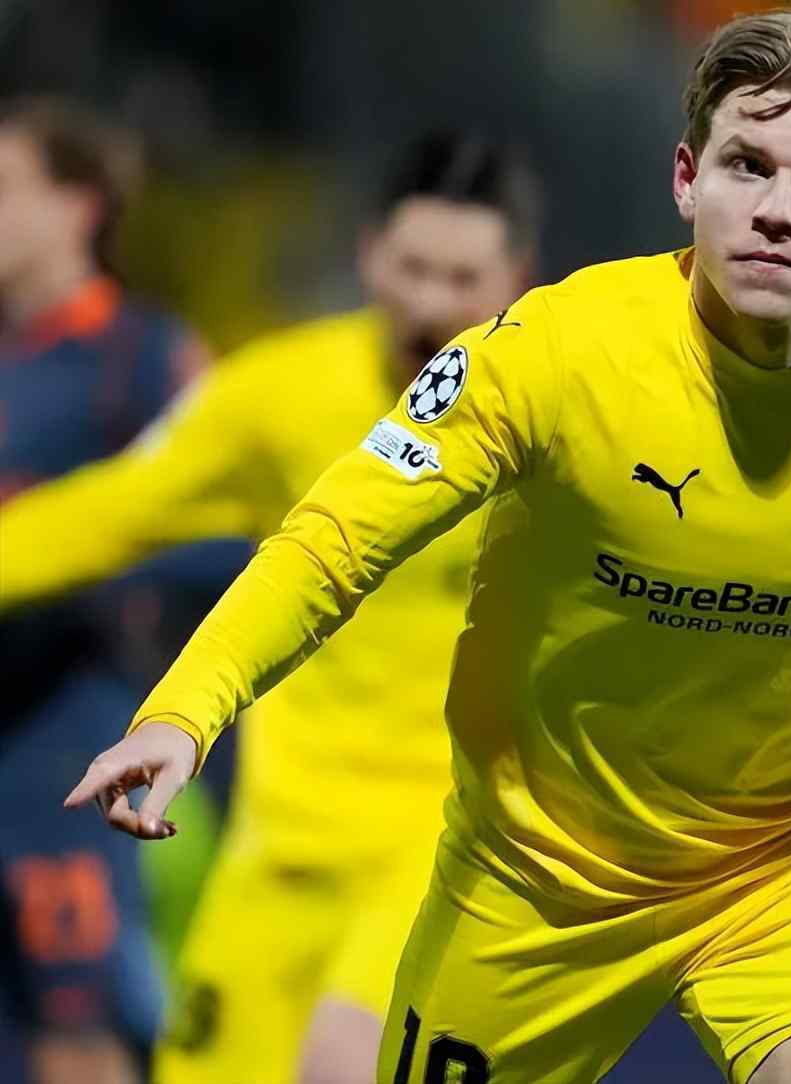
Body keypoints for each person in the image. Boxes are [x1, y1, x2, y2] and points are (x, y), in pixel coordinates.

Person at [58, 11, 791, 1083]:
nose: (778, 209)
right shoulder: (552, 353)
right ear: (687, 178)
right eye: (748, 165)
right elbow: (335, 536)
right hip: (532, 875)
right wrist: (185, 710)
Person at [1, 132, 539, 1083]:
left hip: (446, 840)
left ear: (518, 279)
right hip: (280, 849)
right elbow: (112, 511)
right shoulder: (280, 393)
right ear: (368, 253)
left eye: (462, 279)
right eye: (412, 268)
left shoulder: (550, 416)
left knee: (341, 1065)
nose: (429, 304)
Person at [0, 97, 215, 1084]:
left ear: (78, 204)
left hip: (61, 746)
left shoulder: (141, 354)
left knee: (77, 1034)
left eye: (7, 188)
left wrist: (76, 560)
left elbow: (232, 531)